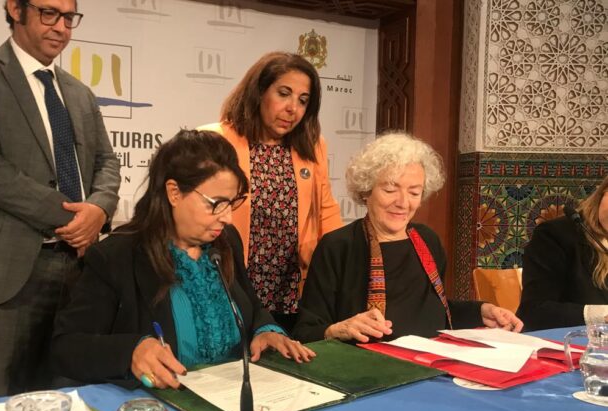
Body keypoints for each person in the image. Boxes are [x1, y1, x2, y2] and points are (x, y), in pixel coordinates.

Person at [0, 0, 120, 398]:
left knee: (66, 393)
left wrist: (99, 208)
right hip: (4, 271)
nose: (61, 27)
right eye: (48, 13)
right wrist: (73, 217)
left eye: (69, 17)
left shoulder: (80, 93)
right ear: (15, 9)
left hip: (77, 267)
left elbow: (107, 162)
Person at [51, 130, 315, 389]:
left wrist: (265, 330)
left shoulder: (226, 241)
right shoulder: (116, 255)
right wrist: (131, 350)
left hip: (234, 397)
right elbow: (66, 347)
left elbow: (251, 307)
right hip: (159, 404)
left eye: (231, 203)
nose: (227, 217)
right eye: (216, 203)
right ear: (174, 192)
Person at [292, 133, 523, 343]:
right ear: (366, 190)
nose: (403, 203)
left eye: (414, 192)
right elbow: (306, 331)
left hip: (429, 364)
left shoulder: (428, 240)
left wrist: (481, 312)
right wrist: (338, 330)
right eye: (390, 190)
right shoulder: (338, 247)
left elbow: (432, 313)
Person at [201, 52, 343, 332]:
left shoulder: (313, 144)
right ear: (259, 92)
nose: (293, 109)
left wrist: (339, 265)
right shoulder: (215, 139)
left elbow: (325, 208)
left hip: (291, 288)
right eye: (284, 94)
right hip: (232, 281)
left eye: (303, 100)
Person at [518, 175, 608, 330]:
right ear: (602, 192)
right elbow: (533, 312)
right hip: (567, 341)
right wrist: (601, 314)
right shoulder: (554, 235)